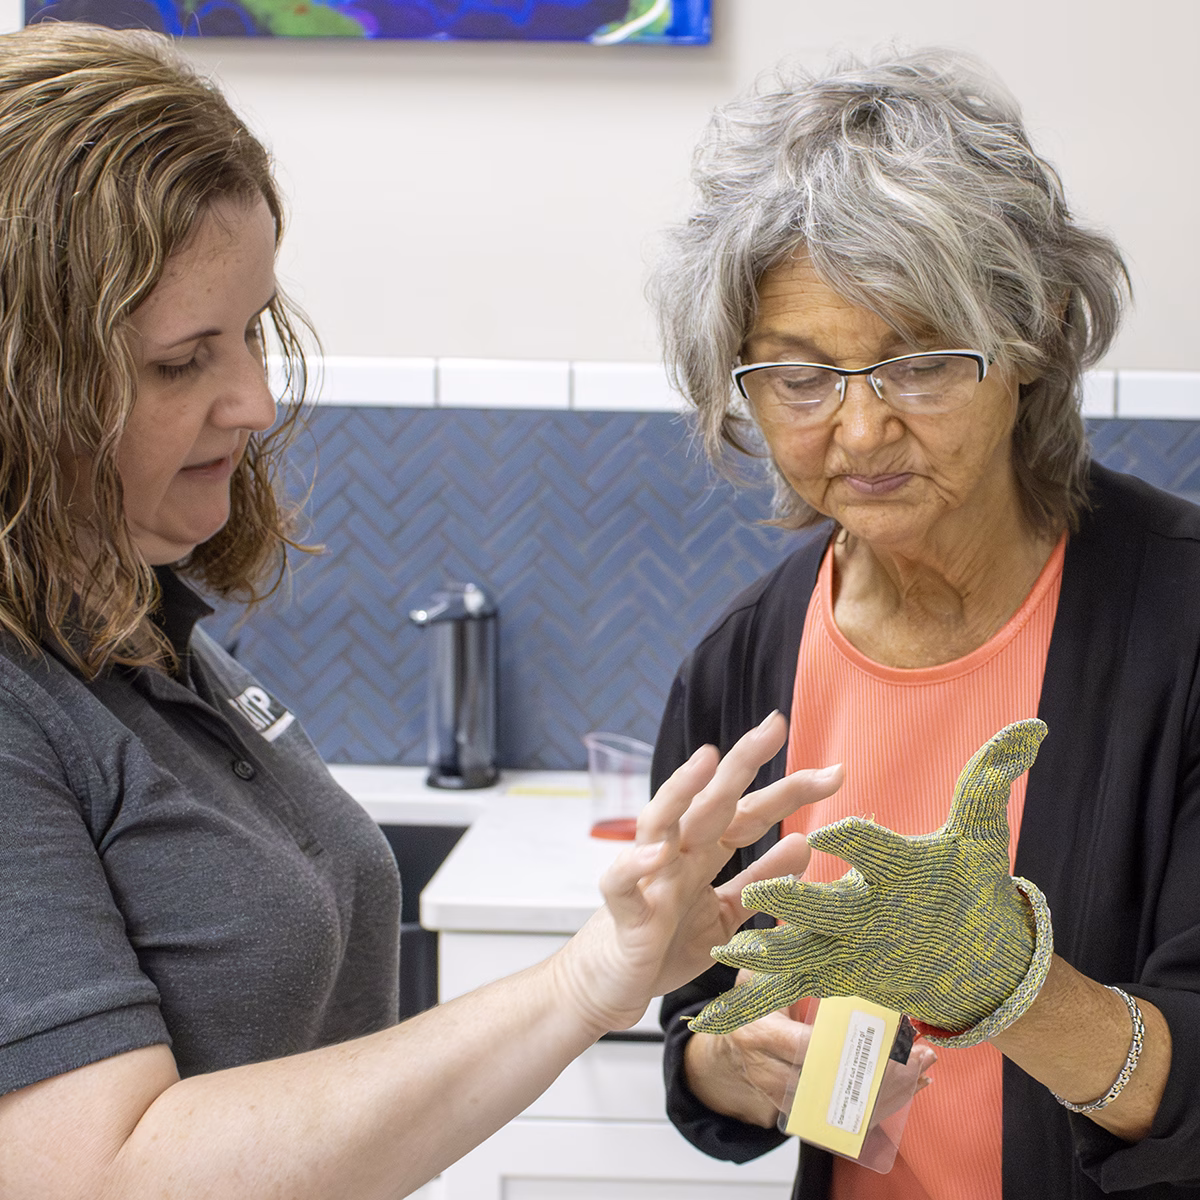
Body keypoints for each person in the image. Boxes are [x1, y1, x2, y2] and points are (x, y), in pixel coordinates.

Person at [0, 23, 848, 1199]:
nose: (252, 399)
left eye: (250, 330)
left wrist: (610, 968)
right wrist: (583, 982)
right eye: (180, 362)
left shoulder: (148, 639)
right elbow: (103, 1177)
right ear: (25, 388)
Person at [649, 49, 1200, 1200]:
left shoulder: (1184, 627)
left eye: (918, 365)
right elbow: (698, 1027)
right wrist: (731, 1064)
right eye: (801, 380)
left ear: (1033, 336)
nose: (859, 433)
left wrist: (1015, 990)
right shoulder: (744, 662)